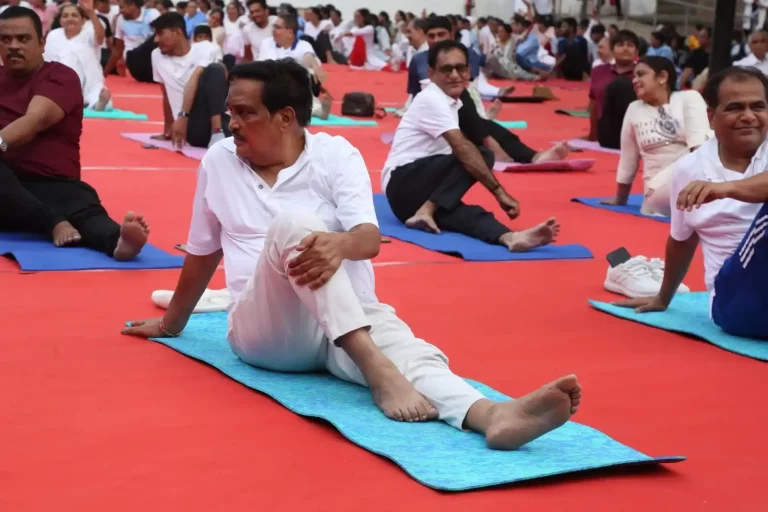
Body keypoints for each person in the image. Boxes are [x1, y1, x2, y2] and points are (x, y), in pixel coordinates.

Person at [121, 58, 582, 446]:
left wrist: (338, 245)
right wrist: (171, 325)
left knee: (409, 351)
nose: (231, 124)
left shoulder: (336, 155)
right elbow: (203, 253)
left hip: (346, 317)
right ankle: (375, 366)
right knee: (295, 225)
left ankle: (492, 416)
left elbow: (367, 240)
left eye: (244, 113)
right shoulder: (219, 161)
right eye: (230, 112)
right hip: (268, 334)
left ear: (285, 117)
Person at [616, 66, 768, 339]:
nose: (748, 117)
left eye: (758, 106)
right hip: (736, 304)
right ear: (711, 117)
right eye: (735, 108)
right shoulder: (689, 170)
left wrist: (728, 189)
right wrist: (663, 298)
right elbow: (681, 240)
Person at [383, 40, 561, 252]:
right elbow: (462, 148)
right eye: (447, 69)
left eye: (460, 68)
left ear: (469, 71)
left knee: (462, 213)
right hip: (403, 181)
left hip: (410, 201)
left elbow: (483, 129)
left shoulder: (457, 101)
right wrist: (499, 193)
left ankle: (510, 237)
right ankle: (428, 207)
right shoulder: (431, 99)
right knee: (479, 154)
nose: (455, 75)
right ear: (431, 73)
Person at [0, 7, 149, 258]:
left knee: (83, 211)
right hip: (5, 189)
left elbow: (35, 119)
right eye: (5, 39)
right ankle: (52, 221)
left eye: (23, 39)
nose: (13, 46)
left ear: (42, 42)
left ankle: (120, 242)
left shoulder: (60, 76)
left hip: (54, 185)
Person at [600, 57, 710, 216]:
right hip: (658, 192)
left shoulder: (689, 98)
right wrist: (620, 198)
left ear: (662, 77)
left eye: (641, 74)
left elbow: (699, 147)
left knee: (710, 145)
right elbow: (628, 159)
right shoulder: (634, 109)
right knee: (713, 147)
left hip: (697, 182)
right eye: (634, 76)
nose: (635, 81)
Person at [150, 12, 229, 149]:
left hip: (208, 113)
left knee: (216, 69)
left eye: (160, 34)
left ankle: (217, 132)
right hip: (191, 129)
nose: (156, 40)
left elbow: (195, 79)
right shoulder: (156, 55)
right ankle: (219, 134)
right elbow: (166, 95)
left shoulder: (205, 47)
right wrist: (168, 130)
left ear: (178, 32)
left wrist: (183, 115)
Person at [258, 13, 329, 119]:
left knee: (309, 73)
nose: (273, 29)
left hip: (294, 89)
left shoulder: (303, 45)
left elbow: (309, 57)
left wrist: (316, 67)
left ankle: (319, 110)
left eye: (277, 27)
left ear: (290, 32)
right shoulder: (266, 43)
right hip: (270, 87)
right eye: (274, 26)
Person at [586, 29, 639, 143]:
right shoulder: (598, 71)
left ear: (636, 52)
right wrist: (592, 137)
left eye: (630, 45)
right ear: (612, 50)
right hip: (605, 134)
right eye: (620, 45)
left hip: (636, 135)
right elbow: (593, 106)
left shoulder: (644, 74)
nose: (625, 48)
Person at [104, 0, 160, 78]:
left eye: (122, 7)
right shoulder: (120, 19)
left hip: (152, 59)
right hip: (133, 60)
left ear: (132, 5)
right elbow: (117, 49)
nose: (120, 11)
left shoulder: (151, 14)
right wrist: (105, 72)